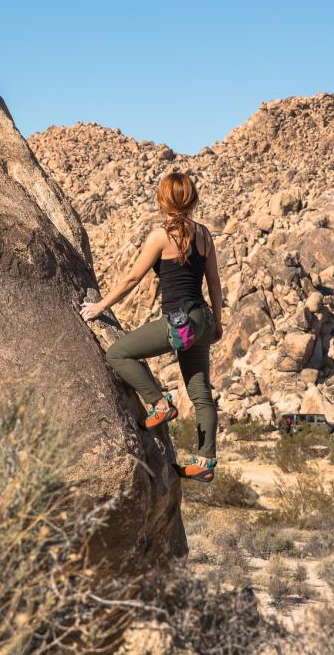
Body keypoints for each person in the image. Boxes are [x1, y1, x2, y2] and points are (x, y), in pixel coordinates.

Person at [80, 171, 223, 483]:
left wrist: (101, 306)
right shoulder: (205, 235)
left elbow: (133, 278)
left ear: (163, 199)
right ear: (192, 199)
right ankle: (205, 461)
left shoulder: (161, 236)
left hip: (179, 323)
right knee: (201, 394)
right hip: (202, 320)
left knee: (118, 354)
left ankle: (160, 404)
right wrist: (218, 323)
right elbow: (214, 283)